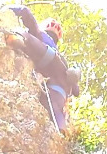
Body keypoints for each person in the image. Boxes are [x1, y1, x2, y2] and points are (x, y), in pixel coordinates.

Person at [5, 5, 80, 133]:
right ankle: (61, 129)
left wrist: (8, 9)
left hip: (43, 54)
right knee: (54, 107)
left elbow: (25, 11)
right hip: (60, 89)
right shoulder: (63, 60)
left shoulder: (40, 34)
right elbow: (76, 91)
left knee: (25, 35)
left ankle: (19, 39)